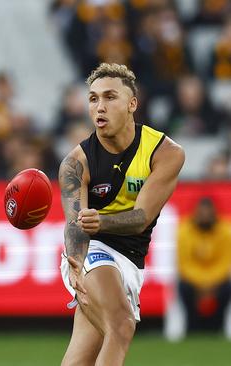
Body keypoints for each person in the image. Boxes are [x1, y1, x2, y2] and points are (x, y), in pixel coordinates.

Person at [58, 62, 185, 366]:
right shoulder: (75, 163)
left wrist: (101, 220)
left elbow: (141, 217)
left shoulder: (165, 153)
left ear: (132, 104)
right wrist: (76, 263)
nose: (99, 107)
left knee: (80, 358)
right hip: (93, 251)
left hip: (131, 260)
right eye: (93, 99)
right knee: (122, 325)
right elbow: (75, 227)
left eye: (110, 97)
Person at [177, 197, 231, 332]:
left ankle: (217, 329)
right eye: (201, 213)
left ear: (214, 213)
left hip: (217, 283)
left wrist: (210, 284)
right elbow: (185, 265)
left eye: (208, 213)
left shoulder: (225, 231)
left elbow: (225, 264)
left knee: (227, 288)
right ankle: (192, 329)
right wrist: (202, 284)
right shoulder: (185, 231)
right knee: (184, 287)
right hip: (194, 283)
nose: (205, 217)